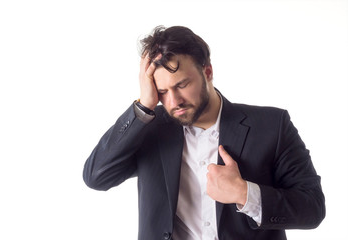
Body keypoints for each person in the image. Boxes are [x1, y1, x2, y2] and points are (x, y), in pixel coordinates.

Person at [82, 25, 325, 240]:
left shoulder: (272, 125)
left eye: (182, 85)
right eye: (162, 91)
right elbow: (97, 176)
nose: (174, 100)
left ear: (207, 72)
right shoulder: (150, 129)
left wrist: (245, 194)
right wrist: (144, 105)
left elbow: (313, 208)